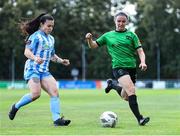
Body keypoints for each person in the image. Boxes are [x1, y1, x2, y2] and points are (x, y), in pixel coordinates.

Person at [85, 11, 150, 126]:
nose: (121, 23)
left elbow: (140, 50)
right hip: (119, 68)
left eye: (123, 21)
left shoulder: (132, 35)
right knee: (131, 91)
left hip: (132, 68)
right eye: (118, 21)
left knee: (126, 96)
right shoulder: (108, 35)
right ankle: (140, 118)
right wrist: (89, 39)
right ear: (115, 21)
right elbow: (94, 45)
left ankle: (112, 85)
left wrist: (143, 62)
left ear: (127, 22)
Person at [8, 13, 71, 126]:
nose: (50, 28)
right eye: (48, 26)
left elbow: (52, 55)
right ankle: (15, 107)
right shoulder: (35, 36)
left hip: (44, 71)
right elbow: (26, 52)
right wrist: (35, 58)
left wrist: (61, 61)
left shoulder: (51, 39)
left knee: (55, 92)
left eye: (52, 26)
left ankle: (57, 120)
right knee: (36, 94)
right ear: (41, 24)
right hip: (32, 69)